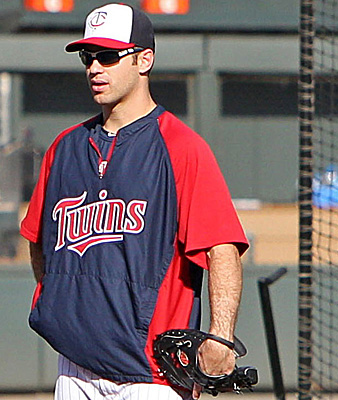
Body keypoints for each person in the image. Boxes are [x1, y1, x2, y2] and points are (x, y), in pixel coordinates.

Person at [20, 3, 248, 399]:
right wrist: (65, 308)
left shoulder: (181, 148)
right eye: (88, 57)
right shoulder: (65, 148)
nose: (94, 68)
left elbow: (221, 249)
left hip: (152, 373)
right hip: (75, 368)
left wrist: (221, 337)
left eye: (108, 56)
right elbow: (39, 243)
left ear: (145, 60)